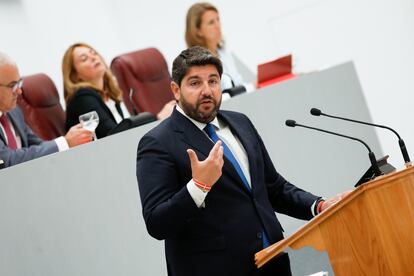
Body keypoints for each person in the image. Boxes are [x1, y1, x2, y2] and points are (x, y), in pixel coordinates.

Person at [136, 46, 346, 276]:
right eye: (195, 83)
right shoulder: (158, 142)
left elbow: (273, 187)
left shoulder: (240, 123)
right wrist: (198, 187)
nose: (207, 91)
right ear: (176, 90)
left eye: (213, 81)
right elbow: (157, 223)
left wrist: (319, 206)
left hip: (273, 260)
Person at [63, 43, 176, 139]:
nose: (93, 57)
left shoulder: (109, 95)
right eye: (84, 59)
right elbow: (112, 135)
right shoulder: (82, 98)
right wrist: (157, 118)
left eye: (93, 53)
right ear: (75, 75)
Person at [0, 52, 92, 168]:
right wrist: (65, 142)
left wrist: (70, 143)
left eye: (19, 83)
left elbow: (37, 146)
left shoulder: (14, 112)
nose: (19, 91)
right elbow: (7, 160)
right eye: (13, 85)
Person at [185, 2, 255, 93]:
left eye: (218, 20)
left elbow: (238, 83)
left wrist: (252, 86)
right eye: (211, 22)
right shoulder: (197, 63)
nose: (218, 26)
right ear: (198, 31)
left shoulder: (225, 53)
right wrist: (252, 86)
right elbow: (222, 94)